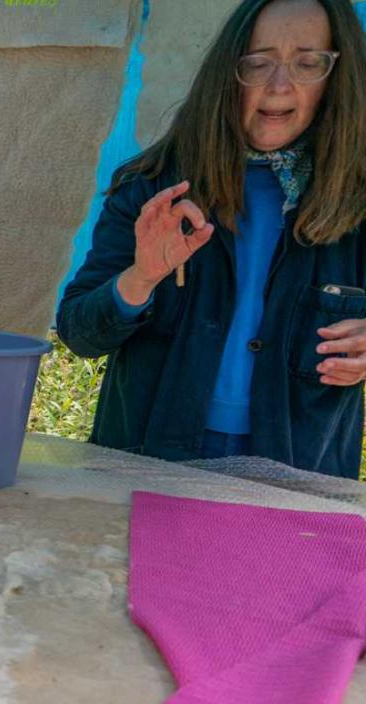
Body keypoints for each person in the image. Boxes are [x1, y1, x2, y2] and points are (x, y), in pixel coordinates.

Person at [58, 0, 366, 478]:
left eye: (308, 63)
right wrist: (141, 278)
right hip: (147, 462)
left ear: (336, 79)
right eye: (258, 62)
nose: (279, 84)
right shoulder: (151, 186)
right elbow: (79, 331)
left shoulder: (359, 203)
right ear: (228, 72)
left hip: (298, 474)